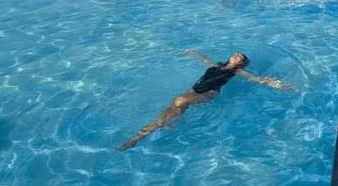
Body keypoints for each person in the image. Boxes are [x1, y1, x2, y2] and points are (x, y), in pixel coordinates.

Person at [117, 51, 292, 151]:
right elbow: (204, 59)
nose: (236, 55)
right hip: (193, 90)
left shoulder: (236, 72)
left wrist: (278, 84)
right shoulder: (217, 65)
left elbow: (257, 79)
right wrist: (193, 53)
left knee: (178, 101)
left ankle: (155, 129)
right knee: (169, 111)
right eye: (236, 54)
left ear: (241, 64)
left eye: (240, 57)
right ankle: (151, 131)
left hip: (208, 94)